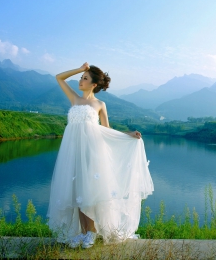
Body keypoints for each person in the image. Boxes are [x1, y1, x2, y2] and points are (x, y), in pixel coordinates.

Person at [47, 62, 154, 248]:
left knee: (89, 191)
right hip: (72, 152)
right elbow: (59, 77)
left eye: (85, 78)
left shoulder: (99, 104)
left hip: (91, 151)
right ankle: (82, 232)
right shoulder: (74, 99)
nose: (80, 81)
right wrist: (80, 69)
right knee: (77, 192)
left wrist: (128, 135)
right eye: (81, 78)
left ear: (94, 84)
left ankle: (92, 232)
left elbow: (106, 130)